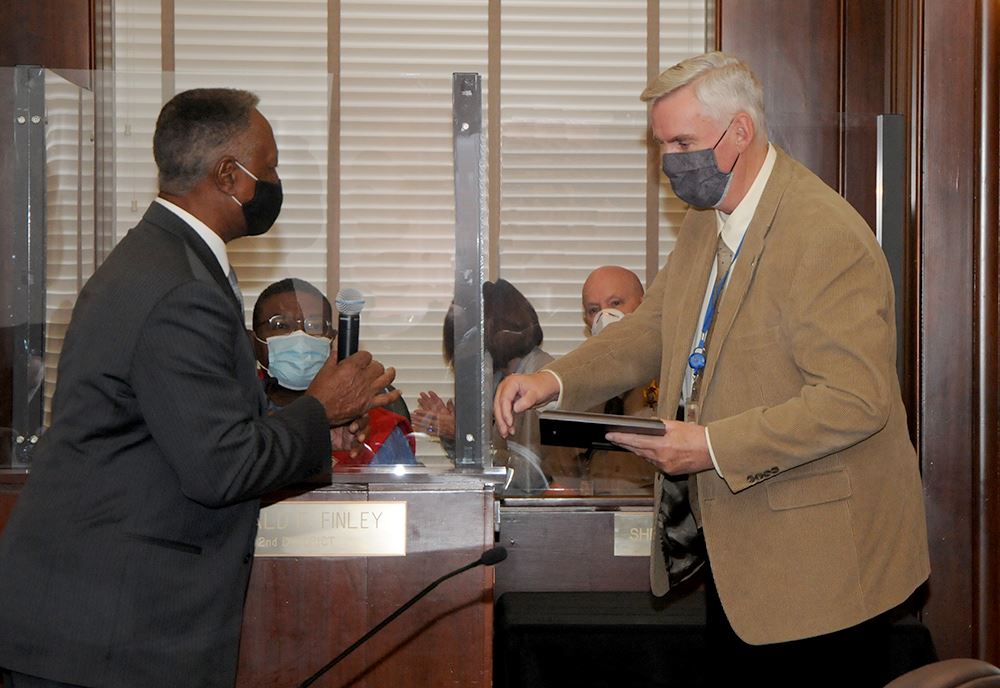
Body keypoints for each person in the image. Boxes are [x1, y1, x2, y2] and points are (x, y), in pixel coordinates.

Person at [494, 52, 930, 687]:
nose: (670, 162)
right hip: (740, 556)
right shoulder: (708, 224)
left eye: (683, 142)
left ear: (741, 132)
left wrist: (711, 446)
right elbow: (651, 329)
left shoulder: (823, 234)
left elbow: (857, 401)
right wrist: (553, 381)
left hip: (823, 571)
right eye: (662, 145)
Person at [0, 88, 399, 688]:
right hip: (108, 632)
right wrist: (320, 407)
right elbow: (222, 465)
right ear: (229, 176)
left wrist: (310, 422)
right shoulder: (179, 286)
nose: (274, 181)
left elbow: (188, 427)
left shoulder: (167, 259)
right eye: (268, 168)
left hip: (98, 622)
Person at [413, 279, 574, 494]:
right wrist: (455, 436)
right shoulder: (496, 379)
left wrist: (467, 437)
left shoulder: (538, 379)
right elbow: (475, 475)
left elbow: (531, 479)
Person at [251, 277, 417, 467]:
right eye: (281, 325)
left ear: (332, 340)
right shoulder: (233, 416)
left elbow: (401, 495)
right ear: (254, 340)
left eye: (315, 326)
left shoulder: (372, 428)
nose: (301, 336)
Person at [569, 266, 658, 494]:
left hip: (654, 514)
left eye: (616, 303)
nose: (605, 316)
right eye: (594, 309)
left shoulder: (671, 377)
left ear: (643, 305)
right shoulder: (580, 388)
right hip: (599, 514)